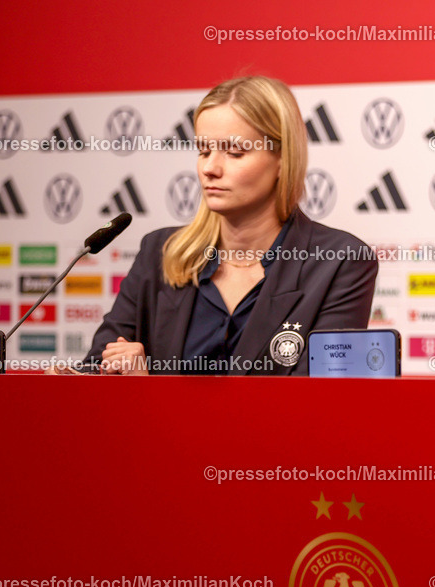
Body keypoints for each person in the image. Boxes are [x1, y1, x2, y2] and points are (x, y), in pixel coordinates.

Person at [82, 76, 377, 375]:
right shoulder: (159, 251)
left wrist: (149, 393)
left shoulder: (341, 261)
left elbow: (320, 403)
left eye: (234, 152)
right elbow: (97, 369)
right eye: (203, 150)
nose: (210, 168)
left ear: (282, 159)